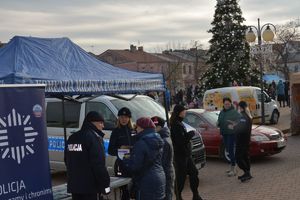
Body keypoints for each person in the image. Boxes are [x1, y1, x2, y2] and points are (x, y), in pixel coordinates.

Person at [65, 111, 110, 200]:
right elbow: (98, 165)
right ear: (92, 123)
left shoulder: (72, 137)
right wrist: (106, 187)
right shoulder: (94, 138)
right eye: (101, 123)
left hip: (75, 187)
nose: (103, 126)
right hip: (90, 188)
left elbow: (67, 160)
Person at [122, 117, 166, 200]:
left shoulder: (141, 143)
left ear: (142, 128)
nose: (135, 129)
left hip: (146, 182)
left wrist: (126, 159)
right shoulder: (158, 140)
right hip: (160, 178)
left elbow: (135, 166)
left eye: (137, 127)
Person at [170, 104, 202, 200]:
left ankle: (195, 195)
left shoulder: (180, 123)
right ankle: (178, 196)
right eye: (184, 111)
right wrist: (191, 134)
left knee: (194, 173)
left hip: (186, 155)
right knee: (181, 177)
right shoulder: (175, 125)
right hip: (180, 156)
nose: (185, 113)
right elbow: (180, 141)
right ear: (179, 113)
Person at [108, 107, 135, 200]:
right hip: (121, 165)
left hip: (134, 164)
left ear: (129, 118)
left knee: (135, 190)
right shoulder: (115, 131)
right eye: (122, 117)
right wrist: (120, 148)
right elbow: (110, 150)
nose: (124, 119)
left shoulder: (134, 130)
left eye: (126, 117)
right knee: (124, 192)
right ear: (118, 118)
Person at [151, 116, 175, 200]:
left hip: (165, 173)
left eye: (154, 127)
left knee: (166, 196)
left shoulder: (163, 140)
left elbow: (161, 161)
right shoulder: (163, 136)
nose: (152, 129)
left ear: (159, 127)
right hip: (166, 172)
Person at [217, 97, 241, 177]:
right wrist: (218, 123)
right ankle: (232, 167)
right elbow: (219, 120)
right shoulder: (222, 112)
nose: (227, 105)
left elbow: (240, 120)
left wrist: (234, 125)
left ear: (230, 104)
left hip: (231, 133)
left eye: (228, 104)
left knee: (230, 150)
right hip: (224, 133)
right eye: (225, 104)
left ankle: (234, 169)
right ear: (223, 104)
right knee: (227, 150)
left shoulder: (234, 112)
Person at [233, 101, 253, 182]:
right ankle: (247, 173)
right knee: (245, 156)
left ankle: (247, 172)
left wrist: (234, 127)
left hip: (242, 141)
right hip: (246, 140)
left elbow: (241, 129)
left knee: (238, 157)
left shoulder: (243, 117)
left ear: (240, 108)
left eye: (238, 107)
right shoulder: (247, 116)